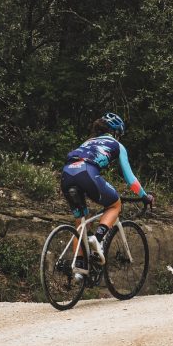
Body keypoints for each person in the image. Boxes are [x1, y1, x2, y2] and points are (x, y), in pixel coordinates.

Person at [60, 112, 154, 277]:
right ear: (116, 132)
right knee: (115, 204)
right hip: (86, 173)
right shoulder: (116, 144)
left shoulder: (87, 141)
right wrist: (144, 195)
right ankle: (97, 238)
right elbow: (130, 178)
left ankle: (80, 268)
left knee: (81, 224)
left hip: (67, 176)